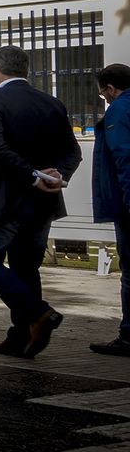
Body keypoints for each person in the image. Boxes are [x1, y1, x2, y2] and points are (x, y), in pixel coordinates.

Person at [0, 45, 81, 358]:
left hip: (3, 199)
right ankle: (21, 336)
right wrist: (55, 177)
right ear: (26, 70)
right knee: (26, 269)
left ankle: (39, 313)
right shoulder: (51, 103)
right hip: (42, 204)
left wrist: (33, 175)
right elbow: (73, 152)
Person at [89, 63, 130, 357]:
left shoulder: (119, 110)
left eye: (104, 94)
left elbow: (123, 157)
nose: (105, 98)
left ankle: (128, 337)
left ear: (110, 89)